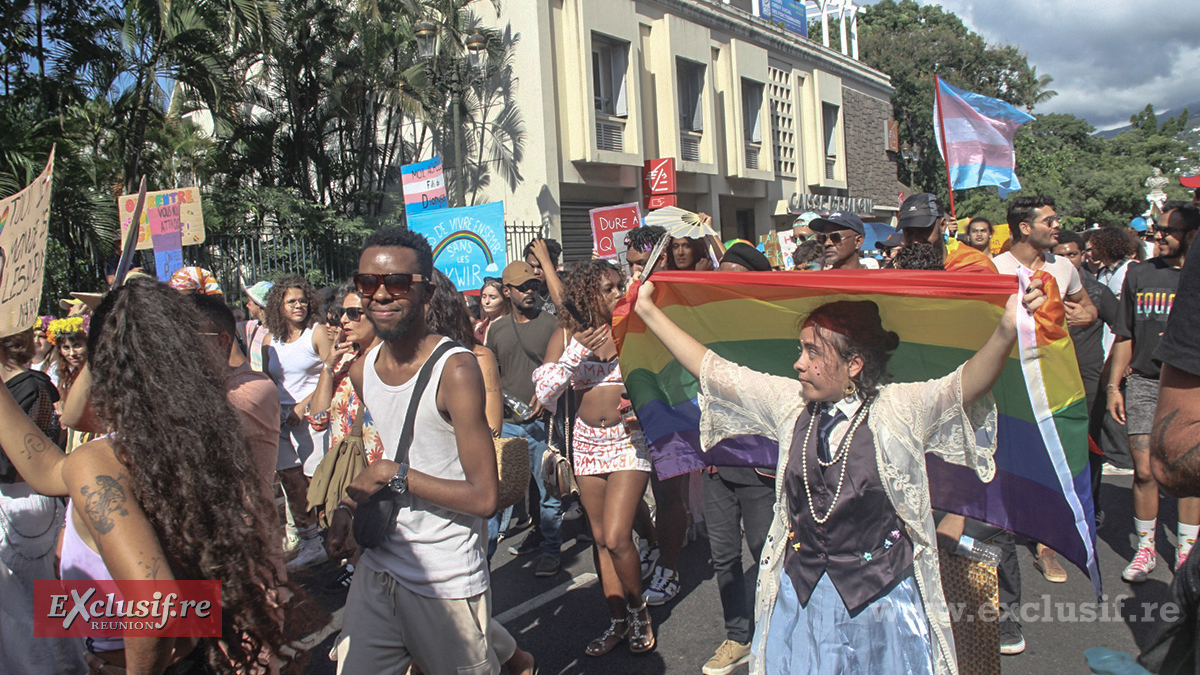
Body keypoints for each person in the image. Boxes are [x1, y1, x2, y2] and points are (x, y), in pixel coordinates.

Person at [632, 270, 1044, 674]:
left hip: (883, 601)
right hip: (803, 597)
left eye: (813, 352)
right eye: (801, 349)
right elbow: (715, 372)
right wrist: (648, 310)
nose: (797, 363)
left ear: (854, 364)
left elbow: (964, 385)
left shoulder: (899, 409)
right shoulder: (790, 404)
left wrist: (1008, 325)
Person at [0, 277, 291, 674]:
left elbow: (156, 605)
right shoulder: (193, 441)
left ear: (104, 364)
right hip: (204, 649)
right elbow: (47, 470)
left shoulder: (101, 460)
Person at [327, 227, 517, 675]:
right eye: (367, 283)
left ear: (426, 291)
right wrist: (348, 507)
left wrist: (395, 475)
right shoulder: (362, 371)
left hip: (444, 574)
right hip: (380, 563)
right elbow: (383, 456)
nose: (380, 295)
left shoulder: (455, 370)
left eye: (396, 284)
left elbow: (485, 498)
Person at [533, 259, 656, 656]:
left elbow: (659, 378)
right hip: (585, 443)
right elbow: (545, 394)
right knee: (601, 539)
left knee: (619, 536)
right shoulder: (567, 333)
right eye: (608, 288)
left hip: (627, 441)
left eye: (619, 285)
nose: (618, 293)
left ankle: (638, 611)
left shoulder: (633, 328)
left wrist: (644, 407)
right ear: (588, 293)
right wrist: (576, 352)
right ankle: (616, 620)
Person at [1108, 203, 1200, 581]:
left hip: (1189, 382)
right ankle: (1145, 549)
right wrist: (1115, 385)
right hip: (1144, 383)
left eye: (1169, 230)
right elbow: (1124, 334)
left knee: (1188, 467)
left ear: (1191, 235)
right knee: (1144, 471)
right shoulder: (1139, 273)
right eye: (1157, 229)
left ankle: (1185, 554)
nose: (1159, 236)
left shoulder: (1193, 279)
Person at [696, 248, 777, 675]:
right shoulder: (706, 328)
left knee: (766, 551)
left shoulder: (773, 332)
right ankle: (738, 636)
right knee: (724, 556)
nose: (723, 283)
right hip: (716, 462)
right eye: (718, 275)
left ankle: (776, 630)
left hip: (760, 462)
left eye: (734, 276)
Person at [0, 329, 84, 675]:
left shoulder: (32, 388)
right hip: (18, 504)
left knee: (32, 605)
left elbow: (23, 462)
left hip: (26, 504)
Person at [487, 261, 563, 576]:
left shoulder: (552, 325)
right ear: (507, 291)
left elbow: (563, 373)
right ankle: (483, 559)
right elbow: (491, 375)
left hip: (543, 426)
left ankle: (551, 551)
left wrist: (549, 399)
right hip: (505, 424)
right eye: (523, 287)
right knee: (497, 496)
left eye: (533, 285)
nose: (531, 291)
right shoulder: (498, 329)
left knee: (549, 493)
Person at [1052, 228, 1119, 565]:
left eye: (1073, 255)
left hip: (1090, 383)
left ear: (1083, 256)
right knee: (1054, 448)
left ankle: (1089, 509)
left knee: (1090, 450)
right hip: (1051, 383)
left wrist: (1114, 378)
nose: (1068, 261)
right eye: (1060, 255)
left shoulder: (1097, 291)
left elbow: (1125, 331)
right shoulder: (1042, 290)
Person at [263, 275, 334, 571]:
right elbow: (268, 379)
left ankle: (335, 541)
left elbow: (333, 369)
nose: (298, 306)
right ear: (279, 305)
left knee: (316, 481)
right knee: (291, 483)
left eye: (303, 300)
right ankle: (310, 544)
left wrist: (303, 405)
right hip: (279, 421)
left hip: (310, 420)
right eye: (291, 301)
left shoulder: (316, 333)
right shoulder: (270, 339)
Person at [993, 196, 1098, 330]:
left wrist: (1088, 315)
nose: (1056, 225)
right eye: (1048, 221)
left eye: (1055, 219)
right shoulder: (994, 268)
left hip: (1054, 349)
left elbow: (1086, 304)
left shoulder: (1064, 266)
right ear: (1025, 228)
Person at [898, 193, 998, 273]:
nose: (916, 240)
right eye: (908, 232)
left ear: (942, 225)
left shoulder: (976, 266)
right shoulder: (896, 270)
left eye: (923, 230)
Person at [523, 238, 564, 312]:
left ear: (554, 265)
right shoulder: (524, 290)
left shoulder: (567, 283)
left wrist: (544, 260)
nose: (535, 272)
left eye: (540, 266)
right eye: (531, 266)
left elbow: (562, 302)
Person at [474, 277, 510, 346]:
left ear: (504, 299)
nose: (487, 301)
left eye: (492, 297)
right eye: (484, 296)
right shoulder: (478, 328)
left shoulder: (511, 327)